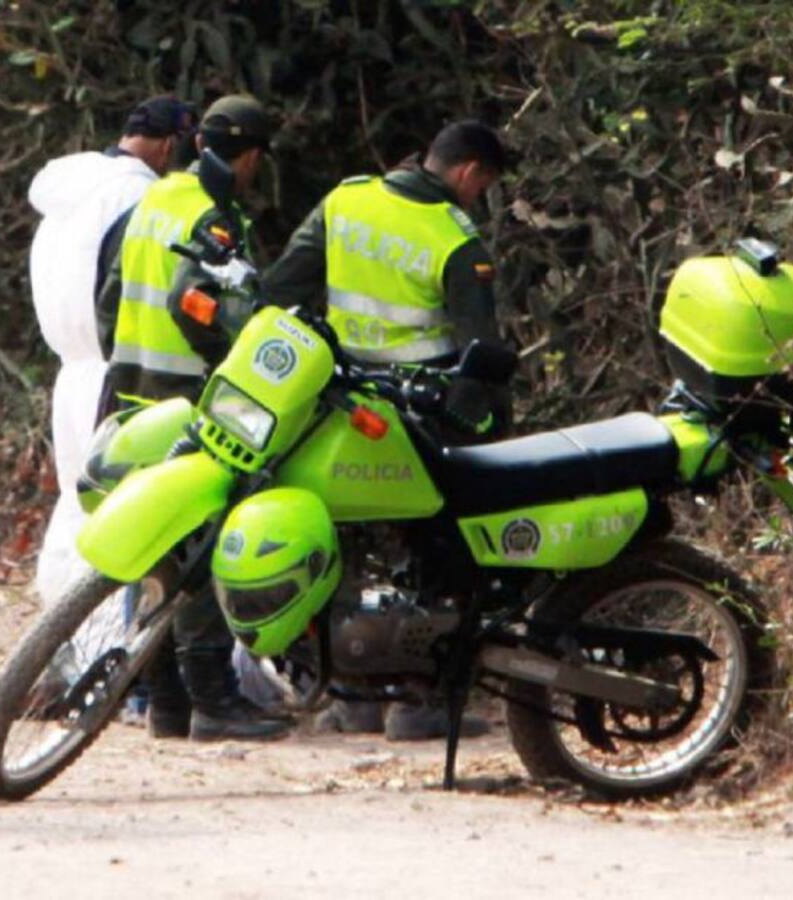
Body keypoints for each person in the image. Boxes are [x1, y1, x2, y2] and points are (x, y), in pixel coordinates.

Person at [259, 119, 511, 740]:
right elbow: (478, 349)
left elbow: (281, 288)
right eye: (481, 187)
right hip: (416, 412)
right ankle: (421, 704)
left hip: (336, 402)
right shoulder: (454, 238)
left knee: (340, 542)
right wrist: (480, 423)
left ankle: (350, 697)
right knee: (441, 546)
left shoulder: (345, 202)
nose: (477, 198)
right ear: (469, 173)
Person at [99, 94, 292, 743]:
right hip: (190, 402)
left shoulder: (156, 197)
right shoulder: (214, 214)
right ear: (252, 157)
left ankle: (166, 702)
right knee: (200, 549)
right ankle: (212, 699)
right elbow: (196, 302)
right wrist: (232, 368)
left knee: (156, 549)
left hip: (134, 397)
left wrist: (122, 367)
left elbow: (109, 297)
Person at [29, 96, 196, 609]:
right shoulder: (138, 198)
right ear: (168, 147)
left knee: (77, 505)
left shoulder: (70, 192)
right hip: (110, 369)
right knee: (119, 513)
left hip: (70, 369)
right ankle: (104, 642)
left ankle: (60, 638)